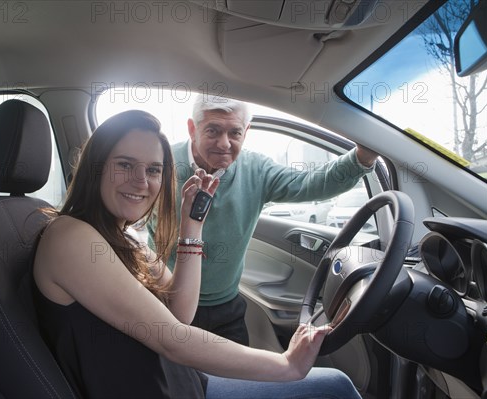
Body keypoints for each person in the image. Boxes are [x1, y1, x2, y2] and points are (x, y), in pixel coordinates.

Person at [33, 110, 361, 399]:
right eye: (125, 165)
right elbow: (174, 338)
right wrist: (286, 365)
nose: (141, 181)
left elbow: (180, 314)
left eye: (153, 170)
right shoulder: (70, 236)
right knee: (334, 388)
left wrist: (192, 227)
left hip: (185, 384)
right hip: (161, 389)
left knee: (335, 385)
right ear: (96, 167)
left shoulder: (125, 238)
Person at [148, 95, 378, 346]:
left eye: (234, 133)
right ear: (193, 129)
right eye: (213, 130)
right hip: (166, 301)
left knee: (238, 383)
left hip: (226, 307)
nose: (224, 144)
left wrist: (362, 158)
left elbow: (313, 183)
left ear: (246, 132)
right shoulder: (161, 163)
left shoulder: (257, 169)